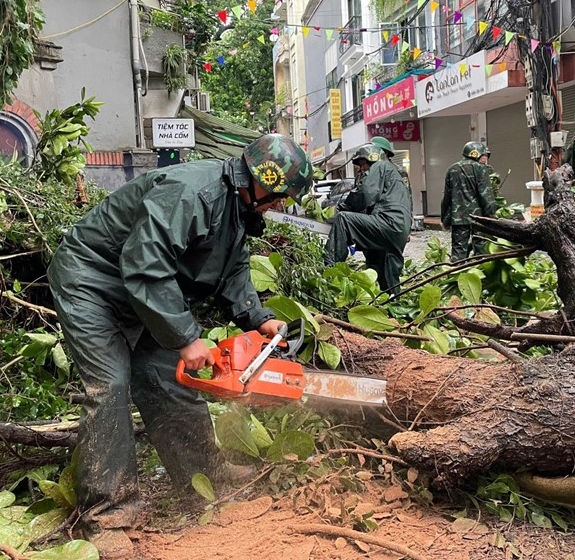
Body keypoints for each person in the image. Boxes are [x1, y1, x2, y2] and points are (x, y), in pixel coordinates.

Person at [48, 134, 313, 558]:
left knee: (169, 379)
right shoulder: (193, 192)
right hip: (93, 283)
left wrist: (258, 318)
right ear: (262, 181)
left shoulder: (236, 207)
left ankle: (203, 478)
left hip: (142, 293)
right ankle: (107, 514)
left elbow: (231, 268)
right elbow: (145, 264)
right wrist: (187, 337)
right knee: (110, 385)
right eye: (280, 195)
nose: (281, 204)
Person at [324, 143, 412, 294]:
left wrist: (344, 208)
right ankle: (393, 303)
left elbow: (365, 193)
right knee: (384, 272)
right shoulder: (397, 176)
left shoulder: (380, 167)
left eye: (362, 164)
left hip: (388, 223)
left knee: (344, 220)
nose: (361, 169)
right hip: (399, 230)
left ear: (372, 159)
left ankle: (328, 272)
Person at [441, 141, 497, 261]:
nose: (485, 158)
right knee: (481, 252)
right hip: (479, 219)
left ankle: (457, 274)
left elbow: (447, 197)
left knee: (458, 252)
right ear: (475, 154)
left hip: (458, 218)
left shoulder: (452, 169)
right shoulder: (480, 169)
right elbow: (486, 196)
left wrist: (444, 219)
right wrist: (491, 217)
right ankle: (480, 274)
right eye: (484, 155)